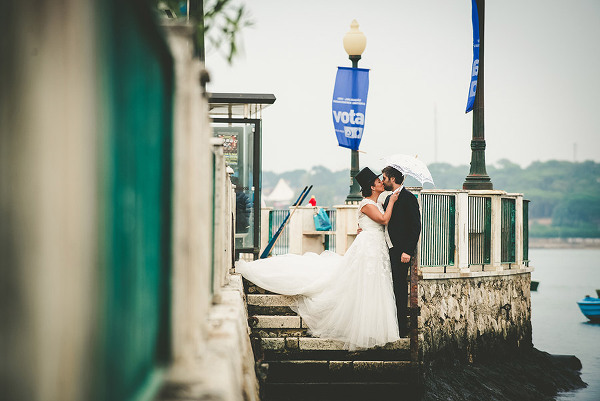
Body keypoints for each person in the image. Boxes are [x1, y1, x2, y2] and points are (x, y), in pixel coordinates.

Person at [236, 167, 400, 350]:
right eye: (378, 181)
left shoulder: (377, 203)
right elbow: (384, 220)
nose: (381, 182)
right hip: (368, 248)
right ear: (372, 186)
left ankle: (372, 326)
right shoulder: (367, 204)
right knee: (362, 282)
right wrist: (392, 201)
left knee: (373, 284)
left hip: (375, 246)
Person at [381, 166, 422, 337]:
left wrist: (407, 251)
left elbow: (415, 226)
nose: (382, 181)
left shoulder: (409, 198)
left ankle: (401, 328)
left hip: (401, 253)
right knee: (387, 287)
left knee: (399, 288)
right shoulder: (388, 198)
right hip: (386, 250)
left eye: (384, 178)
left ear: (392, 179)